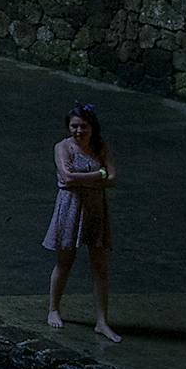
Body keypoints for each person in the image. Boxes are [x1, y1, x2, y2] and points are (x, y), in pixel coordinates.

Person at [45, 104, 119, 342]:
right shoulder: (63, 147)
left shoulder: (100, 146)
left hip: (96, 210)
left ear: (92, 127)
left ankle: (102, 321)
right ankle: (53, 308)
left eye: (83, 126)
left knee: (100, 267)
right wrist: (98, 176)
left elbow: (113, 177)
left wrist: (83, 180)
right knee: (64, 262)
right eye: (74, 126)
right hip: (70, 209)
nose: (78, 131)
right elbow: (66, 178)